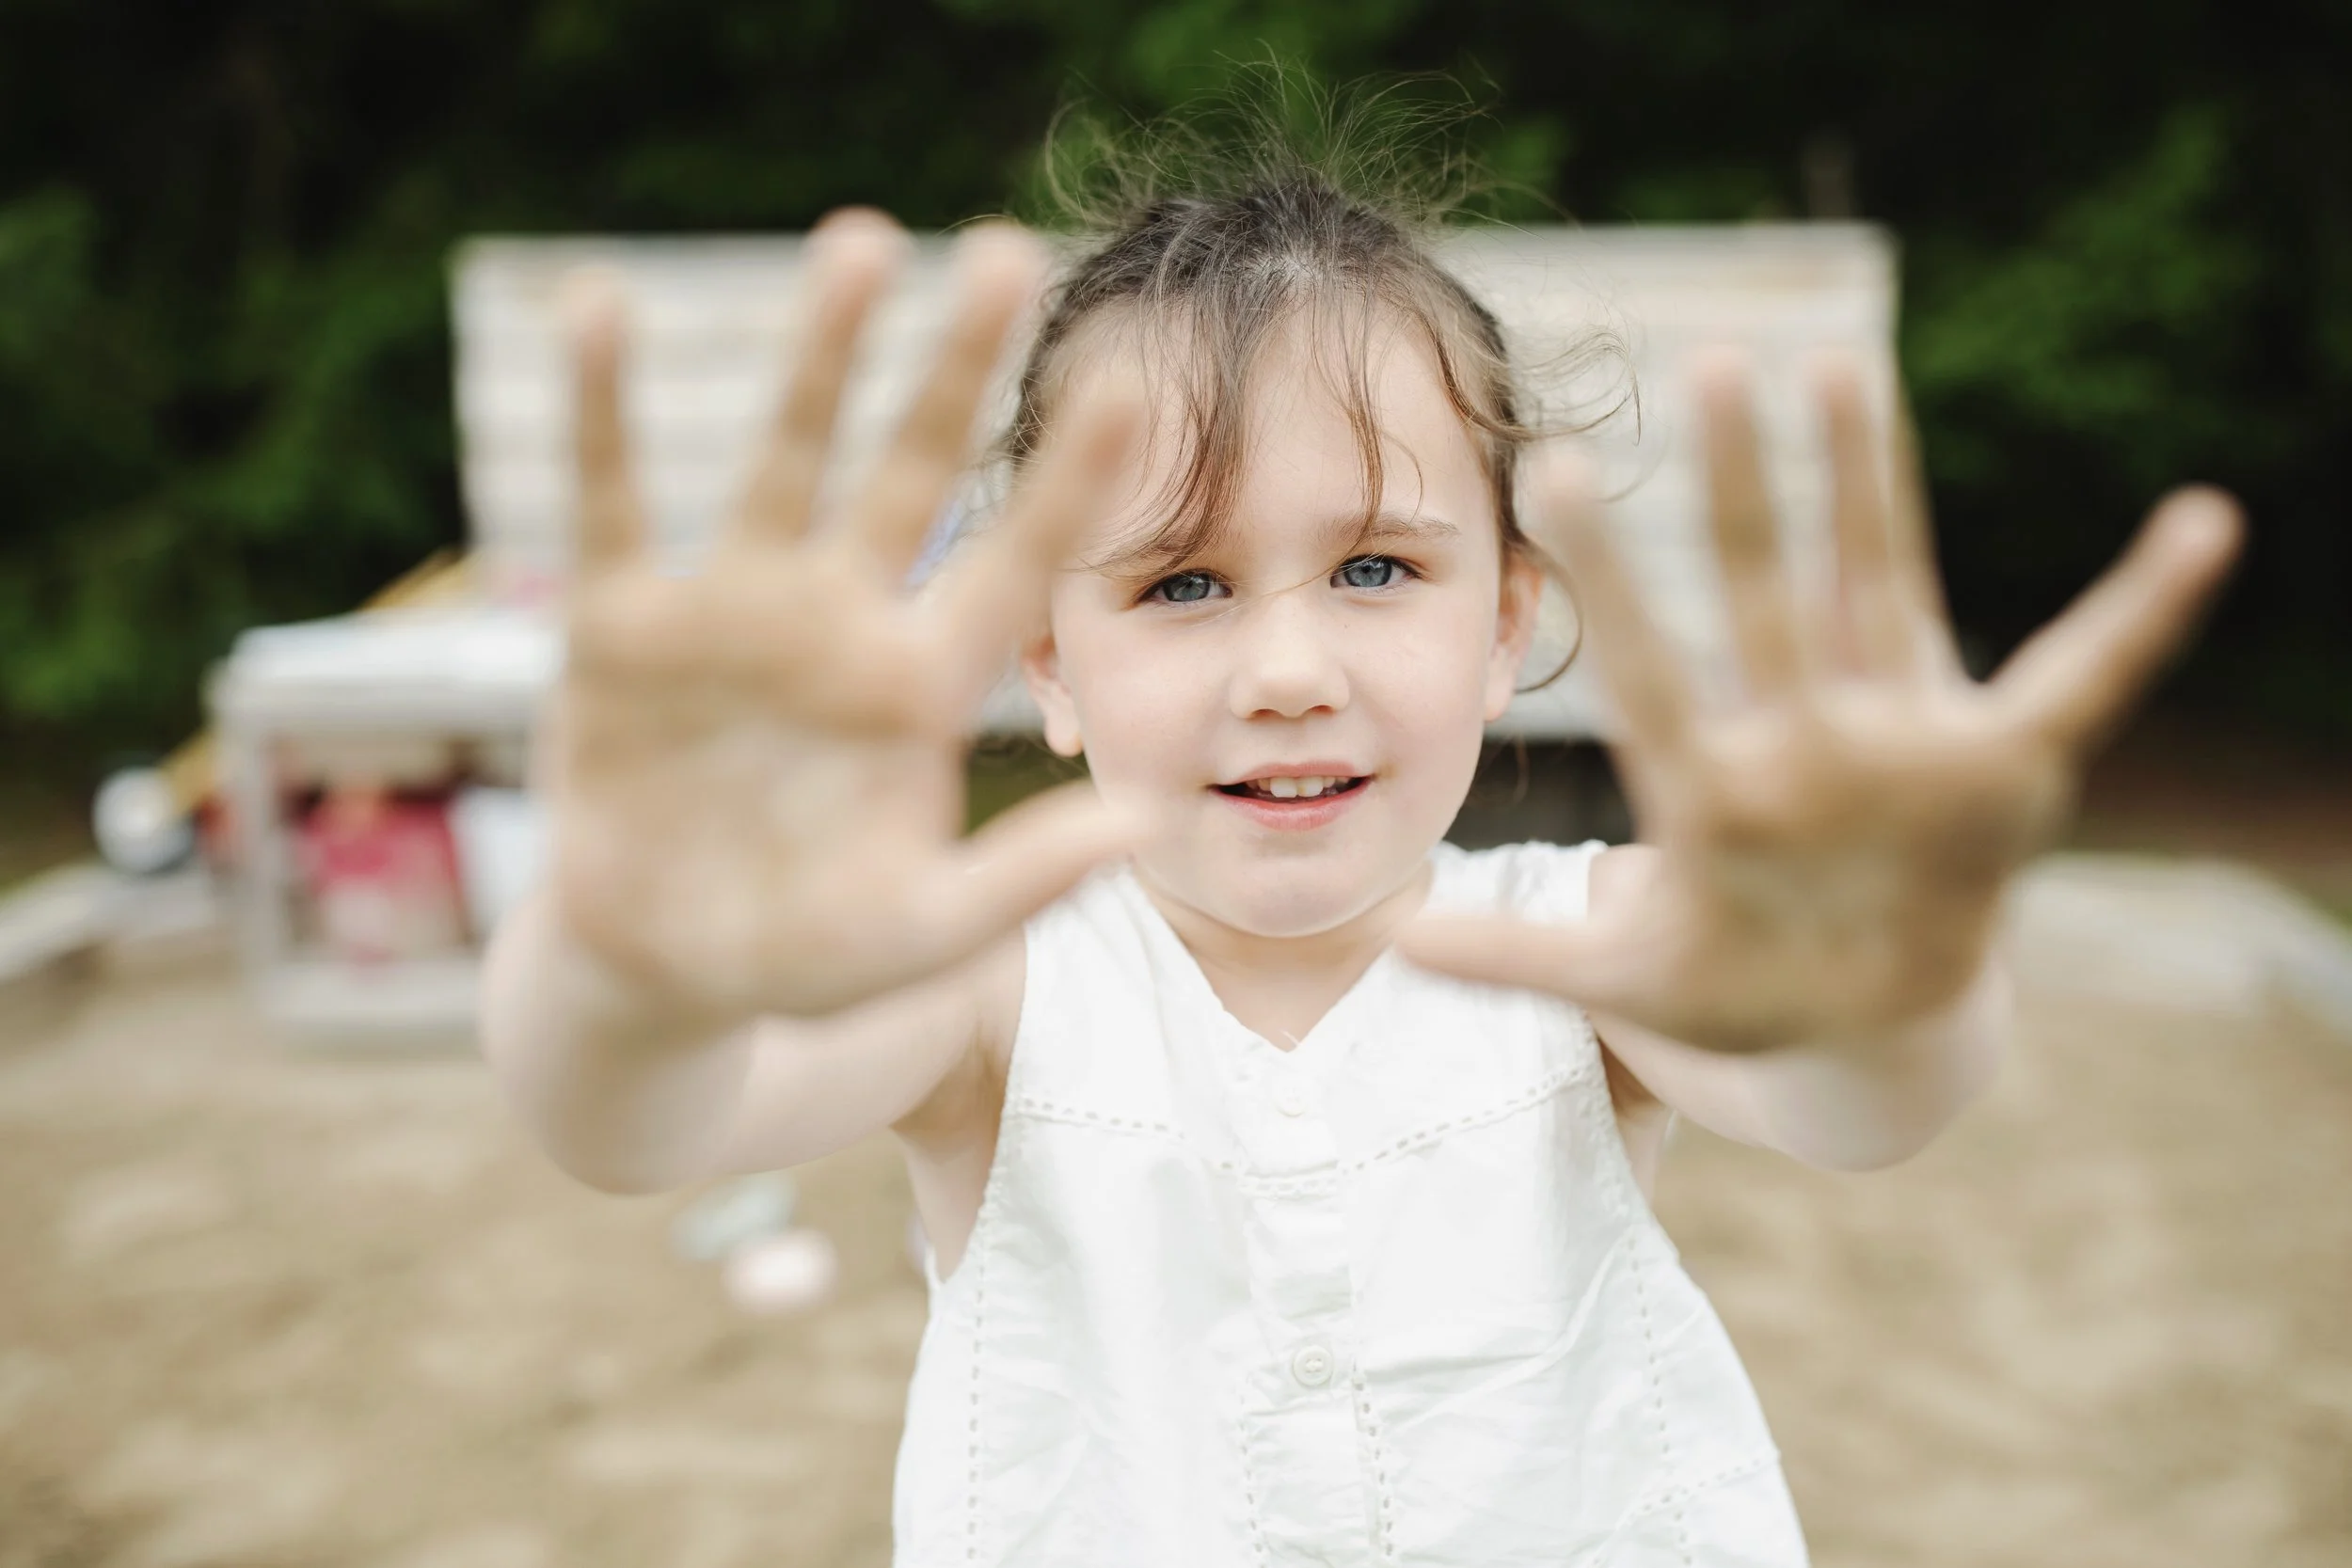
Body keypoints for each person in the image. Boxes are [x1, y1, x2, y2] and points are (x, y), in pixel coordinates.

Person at [480, 132, 2242, 1566]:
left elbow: (1866, 1106)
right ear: (1046, 663)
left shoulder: (1602, 946)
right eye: (1180, 583)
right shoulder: (991, 1000)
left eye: (1380, 567)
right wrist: (625, 962)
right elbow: (638, 1122)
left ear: (1507, 620)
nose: (1290, 671)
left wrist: (1893, 984)